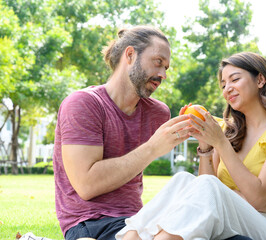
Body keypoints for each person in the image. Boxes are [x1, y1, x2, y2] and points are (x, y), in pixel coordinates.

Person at [116, 52, 266, 240]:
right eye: (223, 84)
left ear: (260, 80)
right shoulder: (230, 131)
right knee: (184, 179)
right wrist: (205, 146)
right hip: (231, 221)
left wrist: (220, 142)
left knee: (208, 186)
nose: (227, 88)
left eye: (235, 79)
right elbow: (207, 191)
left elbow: (257, 198)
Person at [53, 26, 194, 240]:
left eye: (166, 67)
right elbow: (86, 185)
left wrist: (207, 145)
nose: (163, 75)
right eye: (158, 62)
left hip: (137, 220)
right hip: (91, 223)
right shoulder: (83, 103)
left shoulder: (158, 112)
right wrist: (153, 147)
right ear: (130, 55)